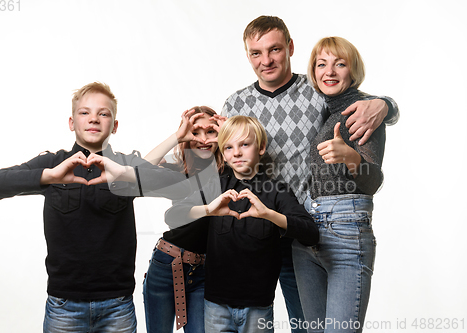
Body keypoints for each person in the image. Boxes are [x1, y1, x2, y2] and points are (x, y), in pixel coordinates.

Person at [221, 16, 399, 333]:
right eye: (256, 53)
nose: (266, 60)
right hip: (256, 235)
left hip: (302, 229)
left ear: (290, 47)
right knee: (243, 323)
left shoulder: (317, 90)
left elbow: (361, 103)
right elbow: (225, 162)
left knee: (307, 326)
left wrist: (385, 104)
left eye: (274, 49)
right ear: (247, 55)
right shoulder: (236, 104)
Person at [0, 82, 190, 333]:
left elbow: (183, 187)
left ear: (114, 125)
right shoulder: (53, 163)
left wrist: (125, 174)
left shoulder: (124, 165)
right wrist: (49, 175)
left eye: (103, 113)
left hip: (118, 306)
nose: (94, 118)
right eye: (85, 112)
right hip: (64, 306)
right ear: (72, 122)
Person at [165, 115, 319, 333]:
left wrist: (269, 215)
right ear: (224, 154)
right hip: (215, 306)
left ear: (261, 147)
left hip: (258, 308)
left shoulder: (277, 190)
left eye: (244, 145)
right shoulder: (215, 185)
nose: (236, 153)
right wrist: (209, 209)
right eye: (228, 147)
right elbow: (173, 215)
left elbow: (311, 233)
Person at [292, 37, 386, 333]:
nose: (329, 71)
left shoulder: (364, 111)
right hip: (306, 231)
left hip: (345, 231)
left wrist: (351, 158)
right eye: (322, 64)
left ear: (352, 71)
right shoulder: (323, 109)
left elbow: (374, 181)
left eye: (340, 64)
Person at [142, 106, 225, 332]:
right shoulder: (179, 169)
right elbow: (139, 169)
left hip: (203, 271)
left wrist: (230, 135)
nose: (203, 139)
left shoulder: (228, 169)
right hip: (167, 264)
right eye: (196, 132)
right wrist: (177, 136)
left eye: (211, 132)